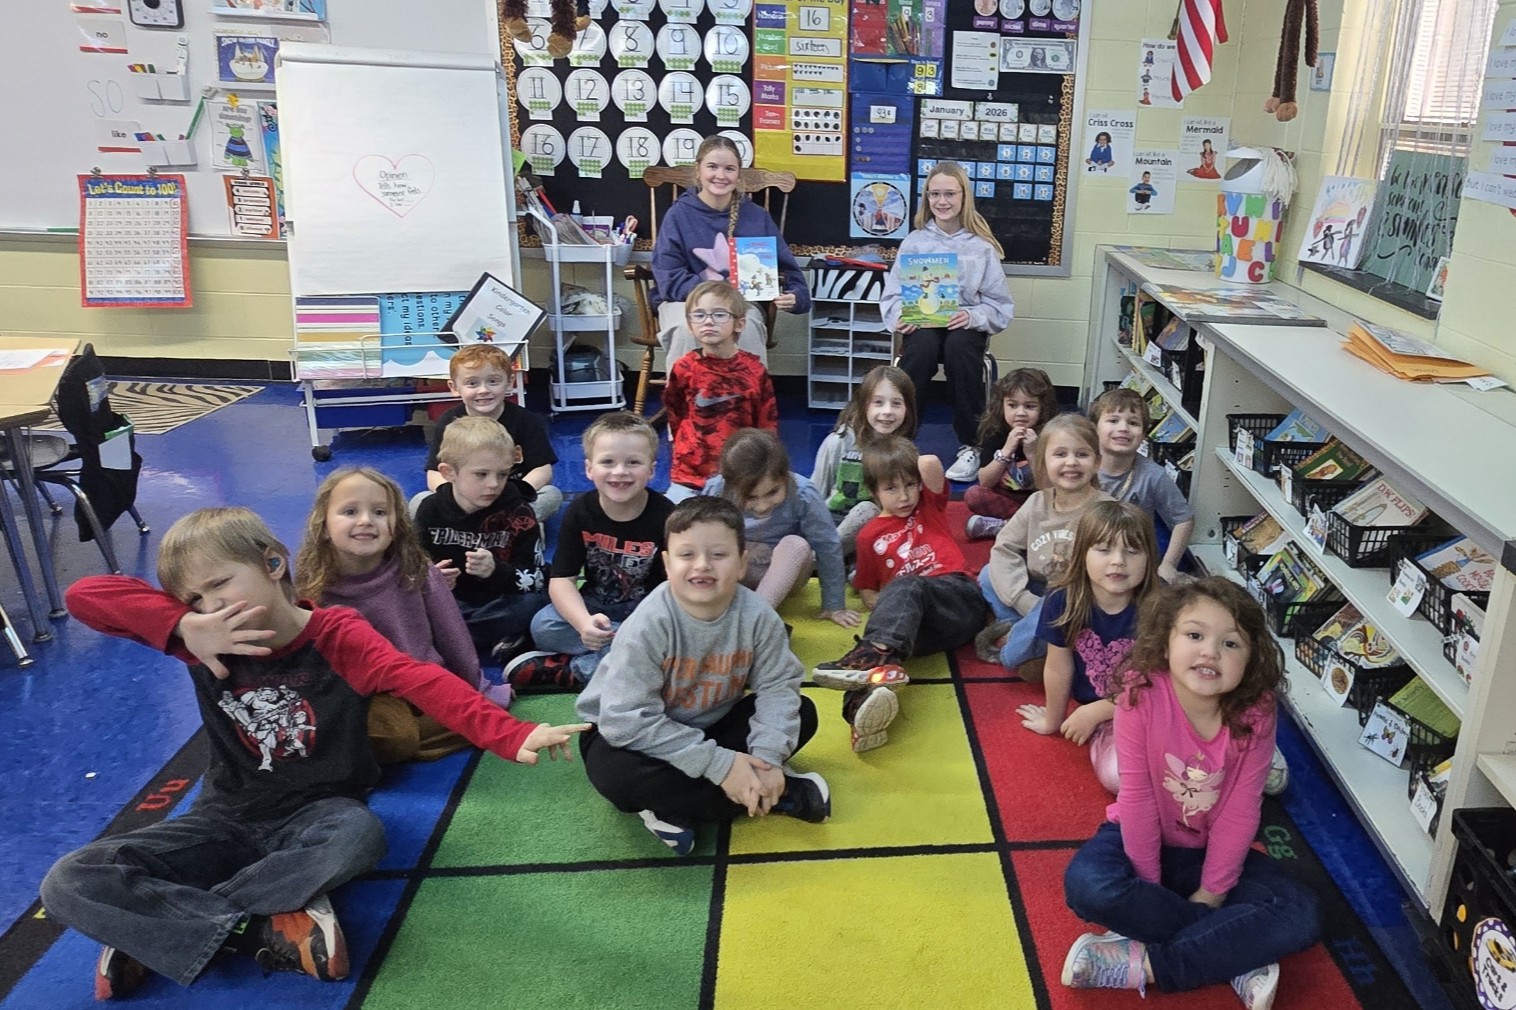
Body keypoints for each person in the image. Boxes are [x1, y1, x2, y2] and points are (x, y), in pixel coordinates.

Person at [42, 507, 585, 999]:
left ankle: (155, 926)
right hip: (224, 816)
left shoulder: (338, 635)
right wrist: (182, 625)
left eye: (219, 587)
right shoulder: (200, 636)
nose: (211, 608)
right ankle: (250, 925)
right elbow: (83, 596)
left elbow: (418, 678)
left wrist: (508, 734)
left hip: (321, 815)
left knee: (360, 838)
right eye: (194, 601)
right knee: (68, 879)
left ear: (274, 563)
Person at [1060, 578, 1321, 1009]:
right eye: (1195, 635)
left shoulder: (1256, 709)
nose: (1210, 652)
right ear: (1165, 642)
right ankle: (1234, 952)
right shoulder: (1138, 693)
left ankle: (1148, 964)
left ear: (1252, 659)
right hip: (1138, 840)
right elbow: (1138, 799)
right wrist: (1150, 883)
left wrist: (1213, 891)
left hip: (1209, 851)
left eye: (1231, 643)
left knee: (1302, 911)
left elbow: (1240, 810)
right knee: (1089, 886)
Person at [575, 497, 830, 856]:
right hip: (629, 734)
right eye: (687, 554)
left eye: (718, 555)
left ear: (742, 563)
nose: (702, 566)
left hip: (707, 726)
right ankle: (774, 793)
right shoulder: (650, 625)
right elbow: (624, 722)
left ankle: (679, 805)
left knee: (802, 712)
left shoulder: (758, 617)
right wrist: (722, 765)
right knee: (613, 775)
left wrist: (769, 756)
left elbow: (777, 688)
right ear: (666, 563)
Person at [295, 467, 514, 765]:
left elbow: (453, 637)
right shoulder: (311, 587)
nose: (365, 521)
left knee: (457, 715)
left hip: (423, 686)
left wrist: (475, 689)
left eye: (380, 512)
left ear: (396, 525)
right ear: (322, 525)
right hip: (363, 698)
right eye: (349, 511)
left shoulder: (416, 572)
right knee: (394, 736)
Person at [811, 436, 990, 753]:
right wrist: (886, 608)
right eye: (891, 488)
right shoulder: (868, 536)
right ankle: (860, 715)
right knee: (885, 654)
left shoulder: (928, 508)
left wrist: (907, 465)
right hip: (923, 630)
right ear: (873, 490)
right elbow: (867, 588)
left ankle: (865, 657)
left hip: (959, 599)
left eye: (910, 485)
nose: (905, 495)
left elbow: (931, 463)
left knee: (907, 584)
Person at [509, 411, 674, 692]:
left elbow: (675, 588)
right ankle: (623, 664)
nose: (620, 471)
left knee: (668, 643)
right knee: (542, 626)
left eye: (633, 462)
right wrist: (584, 623)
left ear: (651, 470)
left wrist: (641, 630)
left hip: (646, 617)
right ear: (589, 468)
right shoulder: (580, 511)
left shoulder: (668, 516)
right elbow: (562, 580)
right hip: (597, 611)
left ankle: (576, 671)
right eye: (607, 462)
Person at [882, 160, 1015, 484]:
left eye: (950, 194)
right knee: (921, 350)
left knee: (960, 350)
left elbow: (1000, 305)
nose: (942, 202)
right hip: (924, 323)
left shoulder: (981, 247)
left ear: (963, 197)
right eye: (934, 194)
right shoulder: (914, 242)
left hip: (963, 325)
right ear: (926, 197)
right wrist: (902, 317)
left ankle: (972, 444)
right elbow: (892, 296)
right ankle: (900, 442)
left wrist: (972, 315)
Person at [1016, 501, 1160, 793]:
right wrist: (1052, 720)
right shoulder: (1062, 599)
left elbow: (1165, 685)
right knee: (1119, 778)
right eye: (1104, 549)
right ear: (1082, 553)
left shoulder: (1162, 606)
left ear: (1149, 558)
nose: (1118, 561)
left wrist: (1098, 711)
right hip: (1114, 720)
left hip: (1160, 707)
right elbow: (1058, 665)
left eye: (1132, 551)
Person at [651, 134, 810, 363]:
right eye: (712, 167)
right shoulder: (678, 215)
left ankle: (750, 398)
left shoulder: (756, 217)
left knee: (745, 329)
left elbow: (791, 274)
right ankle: (686, 398)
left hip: (740, 305)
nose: (720, 175)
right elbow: (668, 277)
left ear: (738, 174)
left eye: (729, 169)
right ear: (698, 170)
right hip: (685, 302)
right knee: (686, 330)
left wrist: (795, 297)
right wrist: (716, 297)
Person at [976, 413, 1113, 678]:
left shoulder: (1105, 510)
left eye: (1082, 455)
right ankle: (1022, 626)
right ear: (1044, 462)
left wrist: (1049, 607)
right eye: (1060, 454)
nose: (1071, 463)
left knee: (1014, 657)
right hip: (1038, 592)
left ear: (1097, 462)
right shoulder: (1037, 502)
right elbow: (1004, 548)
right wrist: (1023, 600)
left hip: (1077, 599)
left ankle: (1025, 641)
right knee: (988, 574)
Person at [415, 416, 548, 663]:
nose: (493, 484)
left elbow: (535, 580)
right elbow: (410, 569)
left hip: (503, 602)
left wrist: (496, 571)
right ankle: (491, 638)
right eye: (481, 474)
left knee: (538, 603)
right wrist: (432, 578)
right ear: (448, 472)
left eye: (503, 474)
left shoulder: (519, 512)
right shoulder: (430, 510)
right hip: (453, 605)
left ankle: (452, 639)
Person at [704, 428, 859, 628]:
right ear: (730, 485)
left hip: (783, 576)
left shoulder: (803, 494)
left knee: (796, 544)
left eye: (773, 492)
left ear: (785, 476)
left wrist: (834, 604)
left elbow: (827, 546)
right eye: (750, 497)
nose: (763, 505)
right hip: (735, 573)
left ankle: (754, 618)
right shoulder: (717, 491)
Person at [418, 343, 562, 523]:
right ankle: (490, 525)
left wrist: (515, 493)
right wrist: (452, 499)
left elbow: (542, 469)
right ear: (454, 387)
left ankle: (515, 525)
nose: (484, 390)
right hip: (463, 499)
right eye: (472, 383)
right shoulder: (449, 422)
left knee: (551, 495)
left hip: (510, 498)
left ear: (509, 382)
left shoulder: (526, 420)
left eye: (493, 381)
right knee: (419, 502)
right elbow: (434, 472)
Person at [663, 280, 779, 499]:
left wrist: (761, 468)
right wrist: (686, 449)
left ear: (739, 324)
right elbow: (675, 413)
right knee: (676, 526)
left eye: (719, 315)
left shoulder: (754, 370)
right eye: (699, 315)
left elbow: (766, 423)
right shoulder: (684, 368)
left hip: (738, 475)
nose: (708, 322)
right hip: (690, 475)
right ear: (690, 324)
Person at [1088, 387, 1195, 583]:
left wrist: (1168, 564)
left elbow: (1184, 519)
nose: (1123, 428)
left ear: (1144, 433)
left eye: (1133, 423)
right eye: (1113, 420)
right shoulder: (1083, 467)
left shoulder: (1153, 476)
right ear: (1094, 428)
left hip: (1132, 563)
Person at [810, 364, 919, 558]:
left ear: (908, 408)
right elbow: (815, 493)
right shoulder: (839, 442)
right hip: (833, 526)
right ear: (864, 404)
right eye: (878, 402)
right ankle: (821, 559)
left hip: (877, 534)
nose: (887, 411)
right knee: (865, 510)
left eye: (896, 403)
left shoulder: (904, 451)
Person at [964, 367, 1059, 539]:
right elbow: (985, 481)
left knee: (1056, 503)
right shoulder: (995, 431)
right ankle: (1022, 526)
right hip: (1008, 499)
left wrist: (1032, 454)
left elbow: (1049, 488)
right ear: (1002, 405)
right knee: (974, 495)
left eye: (1029, 406)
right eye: (1012, 405)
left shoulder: (1051, 435)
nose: (1020, 413)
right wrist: (1006, 450)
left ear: (1042, 408)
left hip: (1038, 499)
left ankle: (1005, 527)